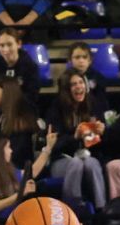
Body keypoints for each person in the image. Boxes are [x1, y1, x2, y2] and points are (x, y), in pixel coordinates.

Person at [46, 70, 108, 209]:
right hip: (61, 159)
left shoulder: (93, 104)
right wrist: (74, 137)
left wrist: (102, 133)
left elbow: (101, 145)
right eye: (73, 84)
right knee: (77, 163)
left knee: (92, 164)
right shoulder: (55, 109)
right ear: (66, 90)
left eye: (81, 82)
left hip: (88, 156)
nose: (79, 86)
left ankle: (101, 209)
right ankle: (73, 208)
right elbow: (54, 145)